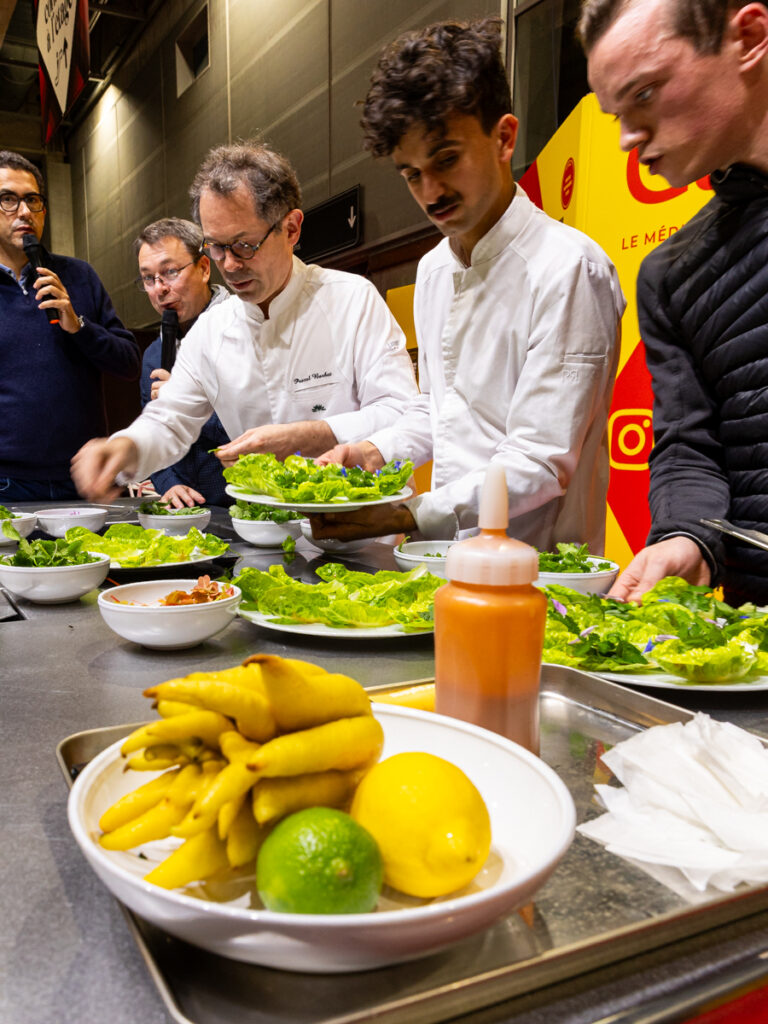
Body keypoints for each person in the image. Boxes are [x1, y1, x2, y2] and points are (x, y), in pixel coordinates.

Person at [311, 18, 624, 552]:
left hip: (540, 571)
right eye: (411, 174)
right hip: (447, 562)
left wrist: (409, 514)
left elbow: (540, 460)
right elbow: (438, 411)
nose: (430, 192)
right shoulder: (434, 269)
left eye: (446, 159)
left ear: (504, 137)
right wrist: (371, 451)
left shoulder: (569, 267)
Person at [71, 141, 419, 503]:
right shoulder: (211, 331)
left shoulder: (351, 299)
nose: (230, 265)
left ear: (291, 229)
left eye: (244, 245)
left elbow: (401, 412)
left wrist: (306, 436)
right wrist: (124, 448)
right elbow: (169, 420)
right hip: (265, 525)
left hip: (362, 519)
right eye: (216, 247)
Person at [582, 0, 768, 605]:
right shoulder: (672, 274)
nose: (627, 137)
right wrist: (686, 535)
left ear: (749, 36)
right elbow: (690, 445)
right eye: (617, 114)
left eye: (645, 94)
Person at [0, 150, 140, 501]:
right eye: (8, 199)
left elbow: (128, 364)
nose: (24, 211)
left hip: (83, 477)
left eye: (33, 200)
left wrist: (79, 326)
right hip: (6, 482)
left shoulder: (78, 275)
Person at [136, 217, 230, 507]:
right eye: (148, 278)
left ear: (204, 268)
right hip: (186, 512)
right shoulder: (154, 354)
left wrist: (185, 401)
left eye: (171, 272)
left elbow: (261, 429)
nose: (159, 288)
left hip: (246, 507)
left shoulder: (243, 332)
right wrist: (169, 483)